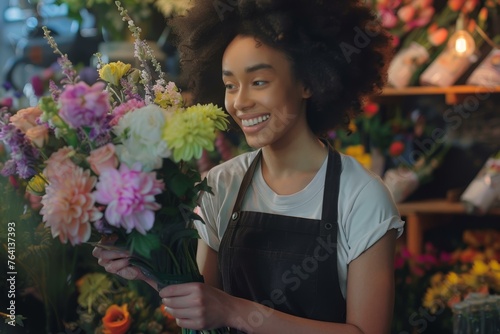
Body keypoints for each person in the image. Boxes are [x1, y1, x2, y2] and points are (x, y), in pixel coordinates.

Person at [93, 0, 405, 333]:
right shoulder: (219, 184)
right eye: (230, 85)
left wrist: (233, 311)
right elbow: (203, 308)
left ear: (308, 83)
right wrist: (148, 269)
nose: (240, 102)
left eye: (259, 82)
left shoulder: (361, 197)